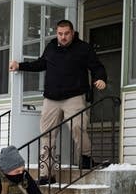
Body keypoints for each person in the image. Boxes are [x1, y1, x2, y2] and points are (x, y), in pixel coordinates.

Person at [9, 19, 107, 184]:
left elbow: (97, 66)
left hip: (74, 96)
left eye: (66, 33)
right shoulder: (51, 47)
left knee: (78, 126)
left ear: (72, 33)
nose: (63, 37)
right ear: (57, 33)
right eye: (60, 34)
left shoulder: (83, 48)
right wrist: (20, 66)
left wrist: (101, 78)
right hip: (51, 98)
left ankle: (86, 158)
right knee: (47, 134)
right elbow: (41, 64)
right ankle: (47, 174)